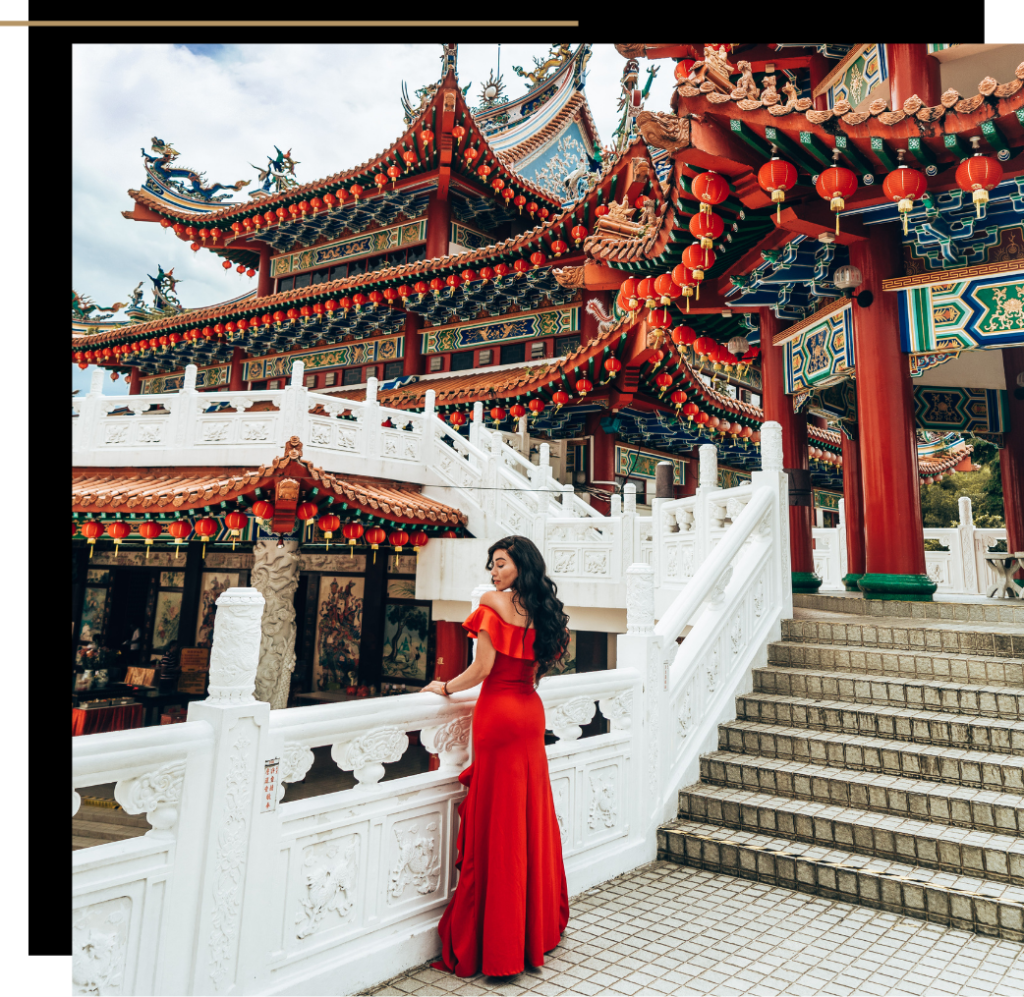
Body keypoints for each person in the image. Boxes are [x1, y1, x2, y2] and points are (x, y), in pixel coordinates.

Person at [419, 535, 571, 978]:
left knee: (498, 822)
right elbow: (538, 666)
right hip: (528, 710)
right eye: (491, 565)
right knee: (526, 817)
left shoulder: (491, 603)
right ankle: (530, 932)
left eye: (500, 563)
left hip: (498, 715)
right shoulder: (543, 612)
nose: (493, 573)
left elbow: (482, 668)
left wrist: (443, 687)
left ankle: (497, 944)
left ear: (520, 565)